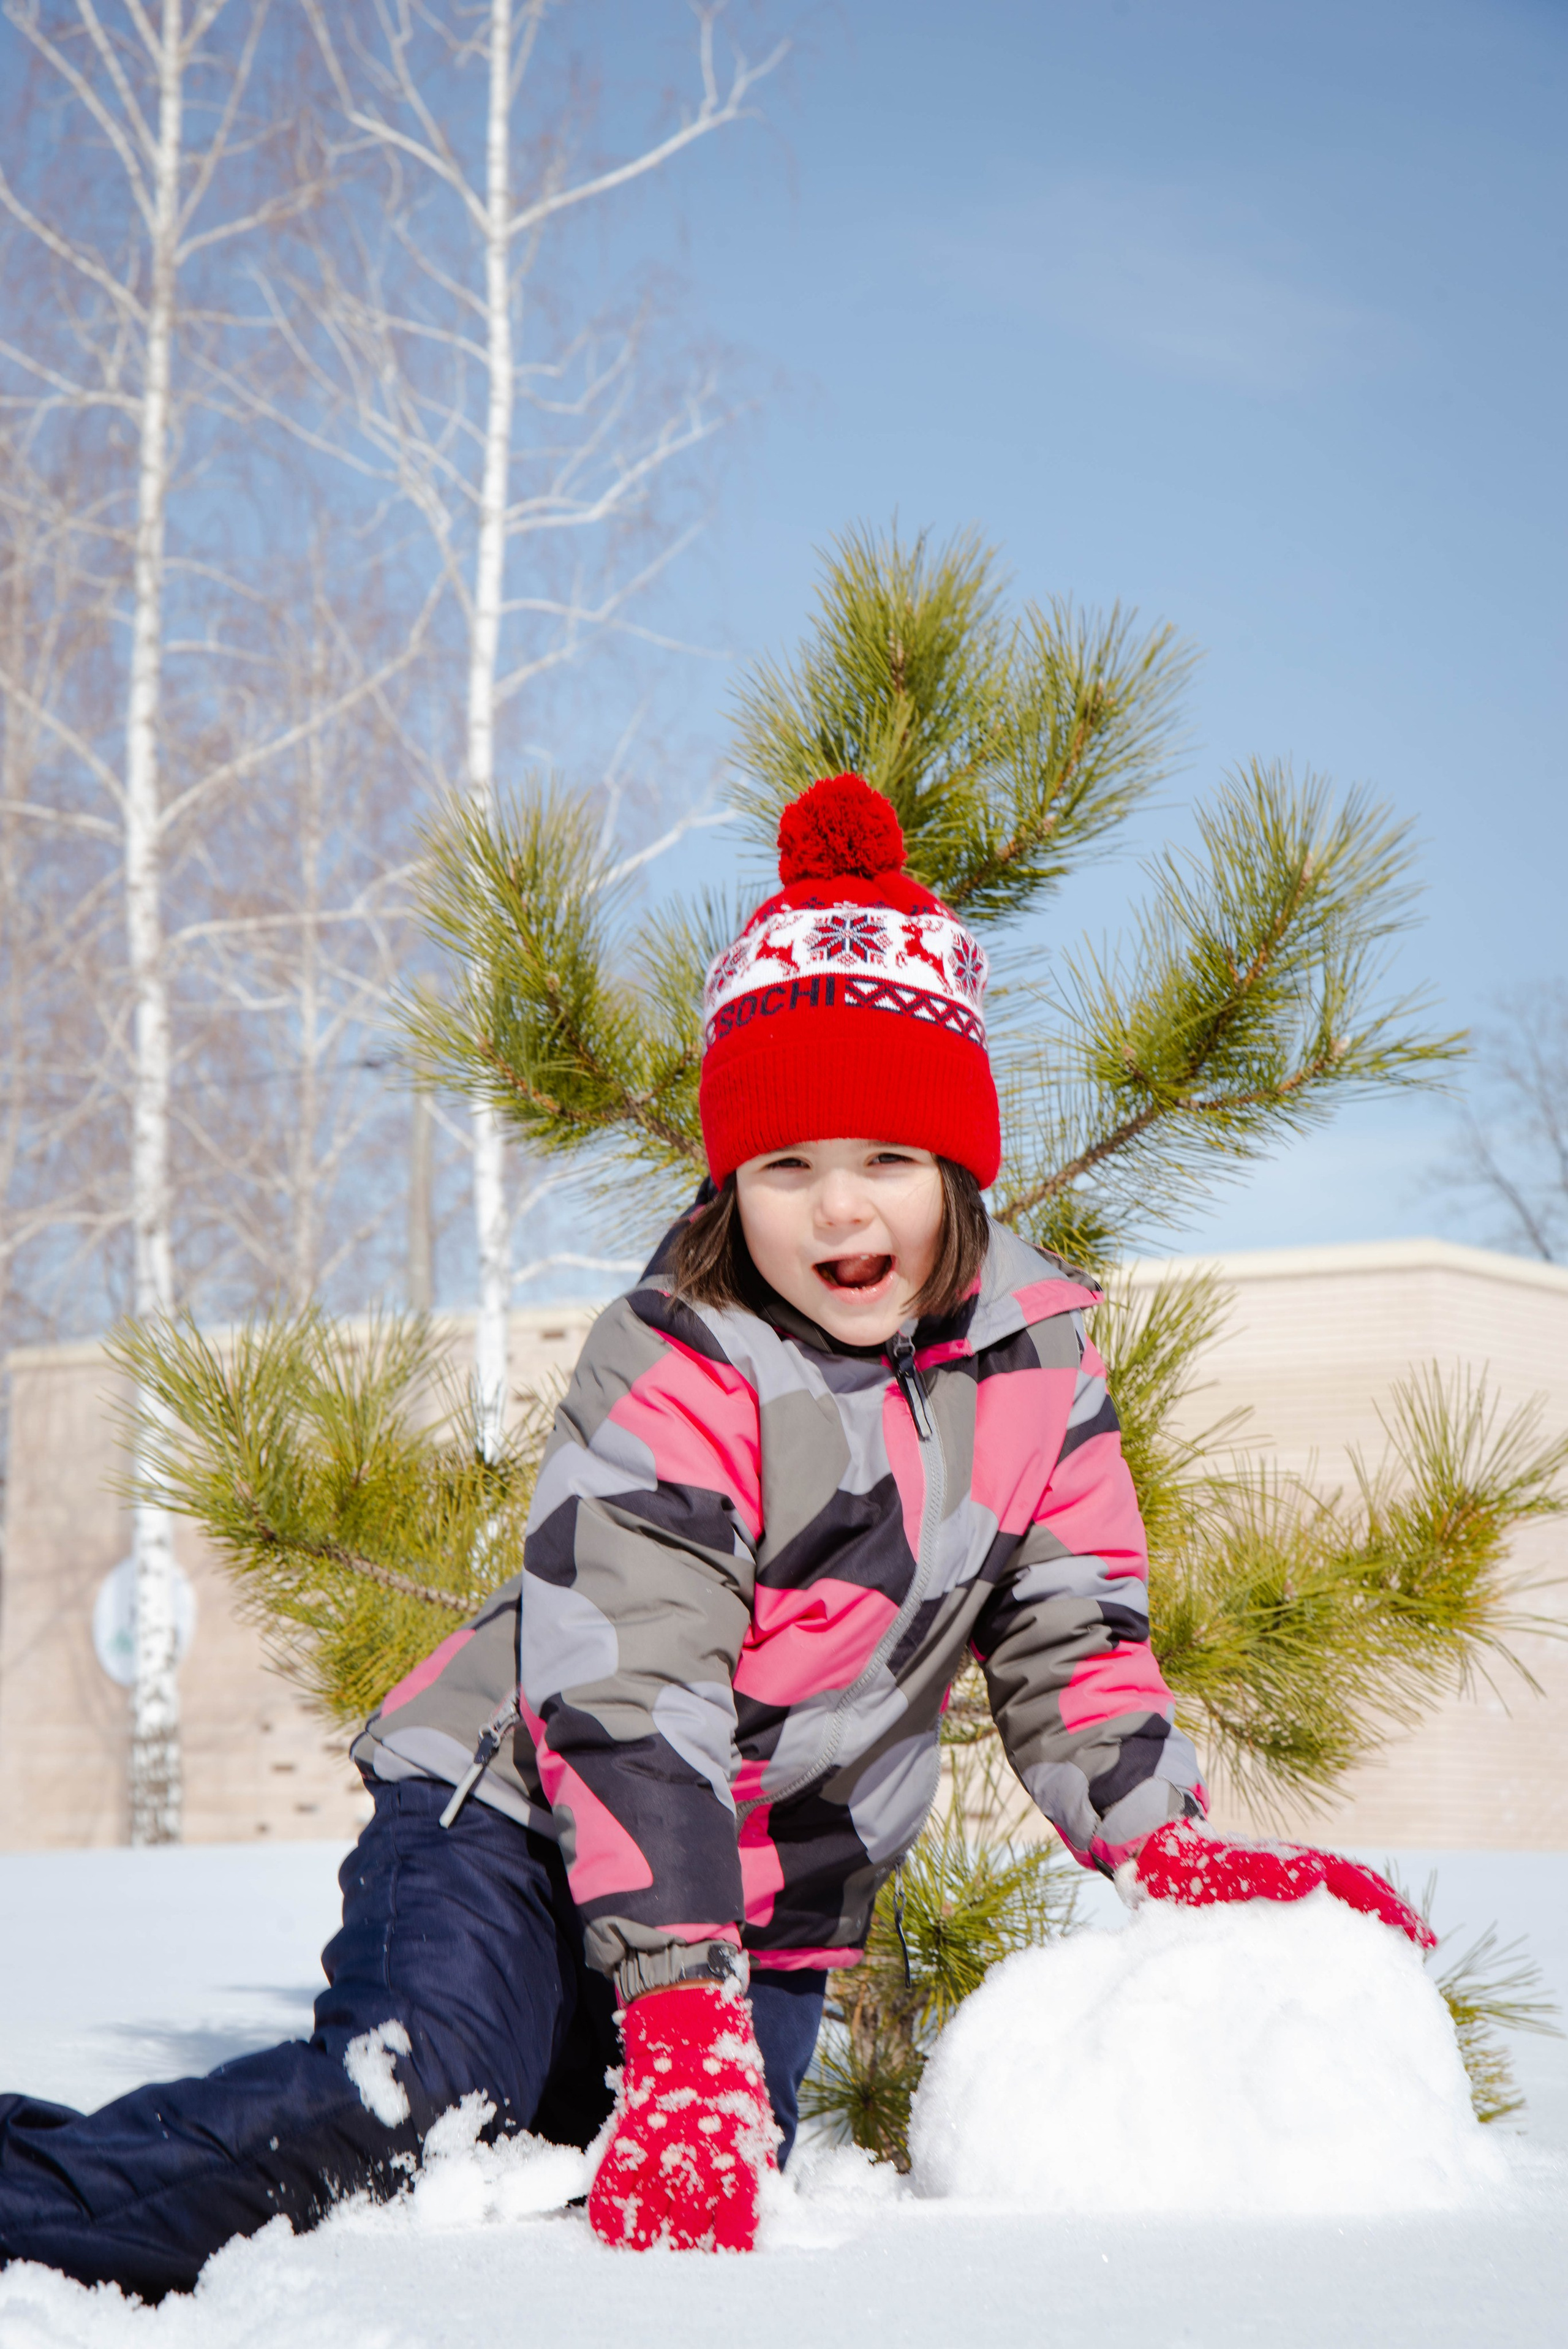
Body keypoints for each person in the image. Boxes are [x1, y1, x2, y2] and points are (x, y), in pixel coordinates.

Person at [0, 772, 1431, 2294]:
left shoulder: (1040, 1364)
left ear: (958, 1163)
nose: (838, 1211)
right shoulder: (678, 1360)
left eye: (884, 1156)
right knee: (419, 2115)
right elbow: (630, 1697)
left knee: (654, 2214)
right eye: (786, 1166)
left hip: (771, 1905)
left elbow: (1074, 1644)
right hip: (514, 1819)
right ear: (728, 1181)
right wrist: (677, 2003)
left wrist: (1170, 1852)